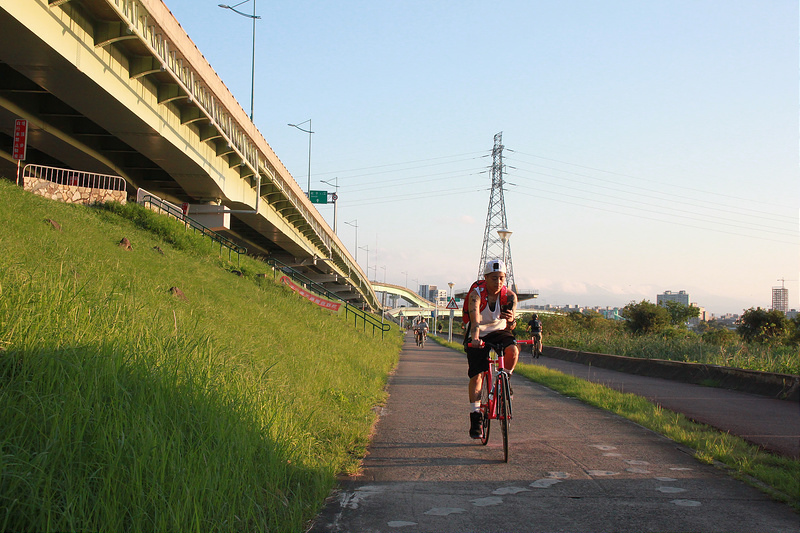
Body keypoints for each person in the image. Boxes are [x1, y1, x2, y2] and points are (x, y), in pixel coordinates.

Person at [464, 259, 519, 439]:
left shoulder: (509, 296)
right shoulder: (476, 294)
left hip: (498, 330)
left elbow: (511, 326)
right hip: (478, 331)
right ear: (486, 278)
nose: (498, 282)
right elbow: (474, 319)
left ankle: (506, 378)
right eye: (494, 278)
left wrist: (511, 320)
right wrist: (475, 339)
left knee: (513, 350)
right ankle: (476, 416)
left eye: (501, 278)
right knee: (477, 375)